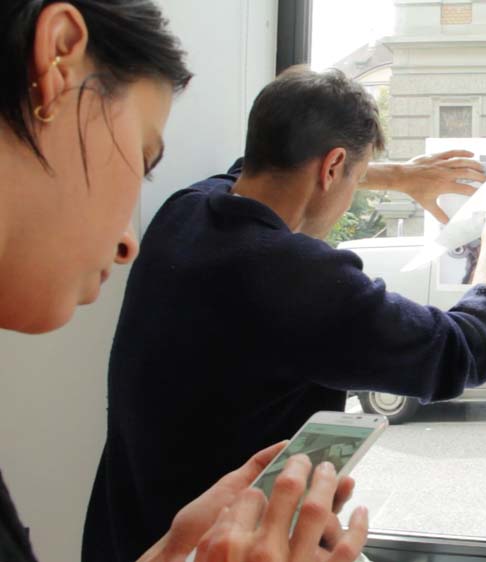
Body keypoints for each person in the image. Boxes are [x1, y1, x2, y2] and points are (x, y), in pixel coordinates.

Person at [83, 67, 486, 562]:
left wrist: (394, 176)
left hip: (122, 540)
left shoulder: (185, 211)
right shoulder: (300, 278)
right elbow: (466, 349)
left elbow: (254, 168)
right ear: (332, 166)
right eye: (353, 175)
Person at [2, 2, 373, 562]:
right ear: (58, 59)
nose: (128, 243)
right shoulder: (295, 267)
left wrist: (173, 550)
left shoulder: (189, 210)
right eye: (142, 157)